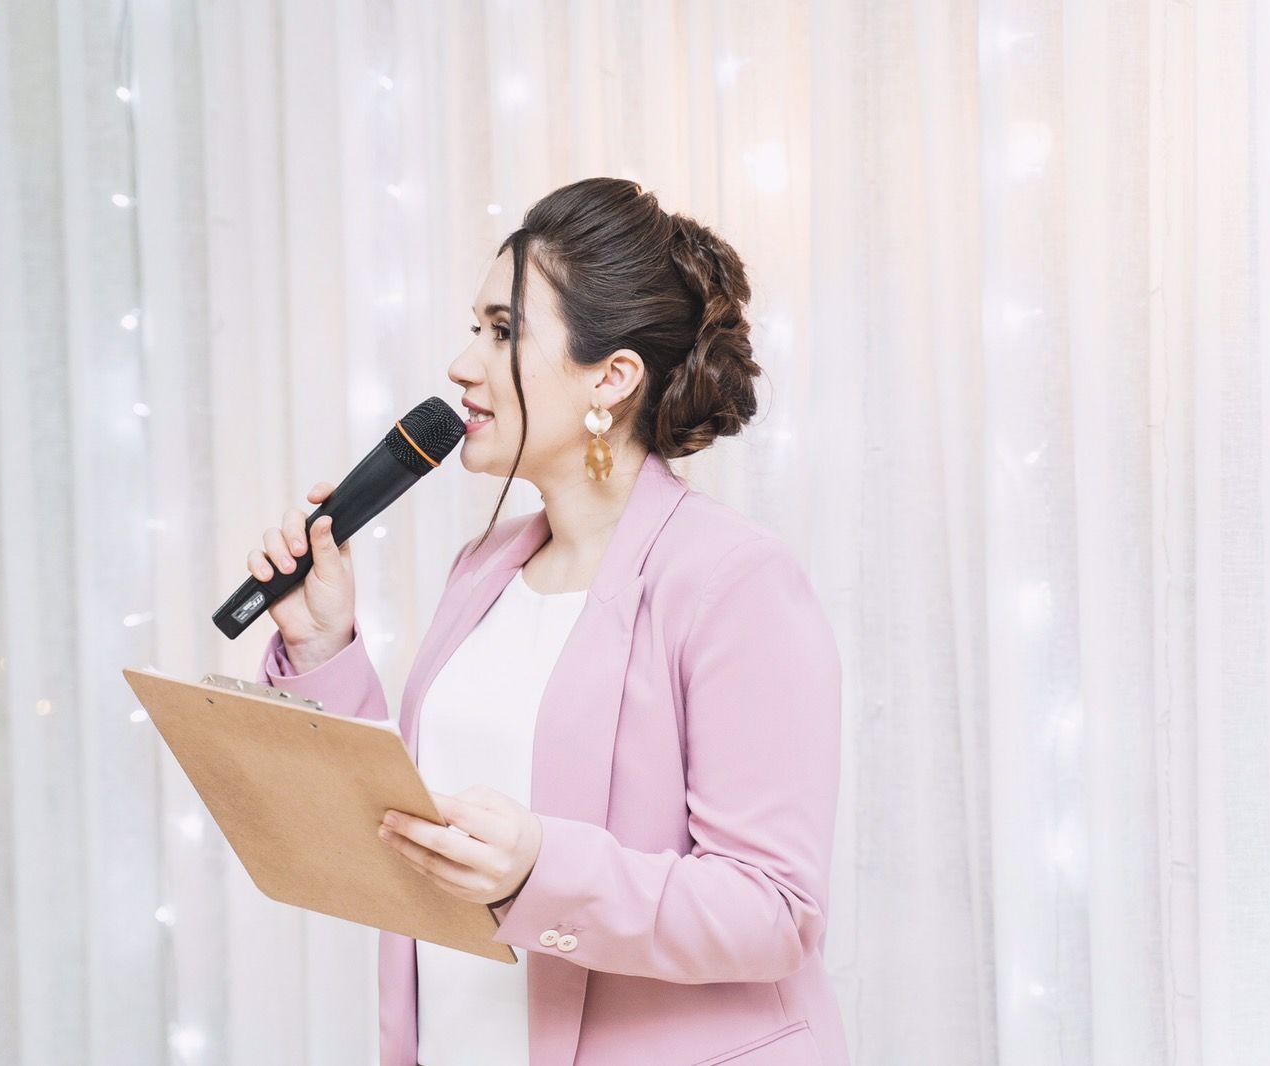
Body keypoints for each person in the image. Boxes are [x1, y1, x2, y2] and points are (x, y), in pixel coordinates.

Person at [247, 177, 847, 1066]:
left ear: (611, 377)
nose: (462, 365)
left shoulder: (733, 581)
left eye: (502, 332)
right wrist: (320, 644)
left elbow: (773, 911)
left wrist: (541, 872)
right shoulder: (484, 568)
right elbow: (407, 826)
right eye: (475, 328)